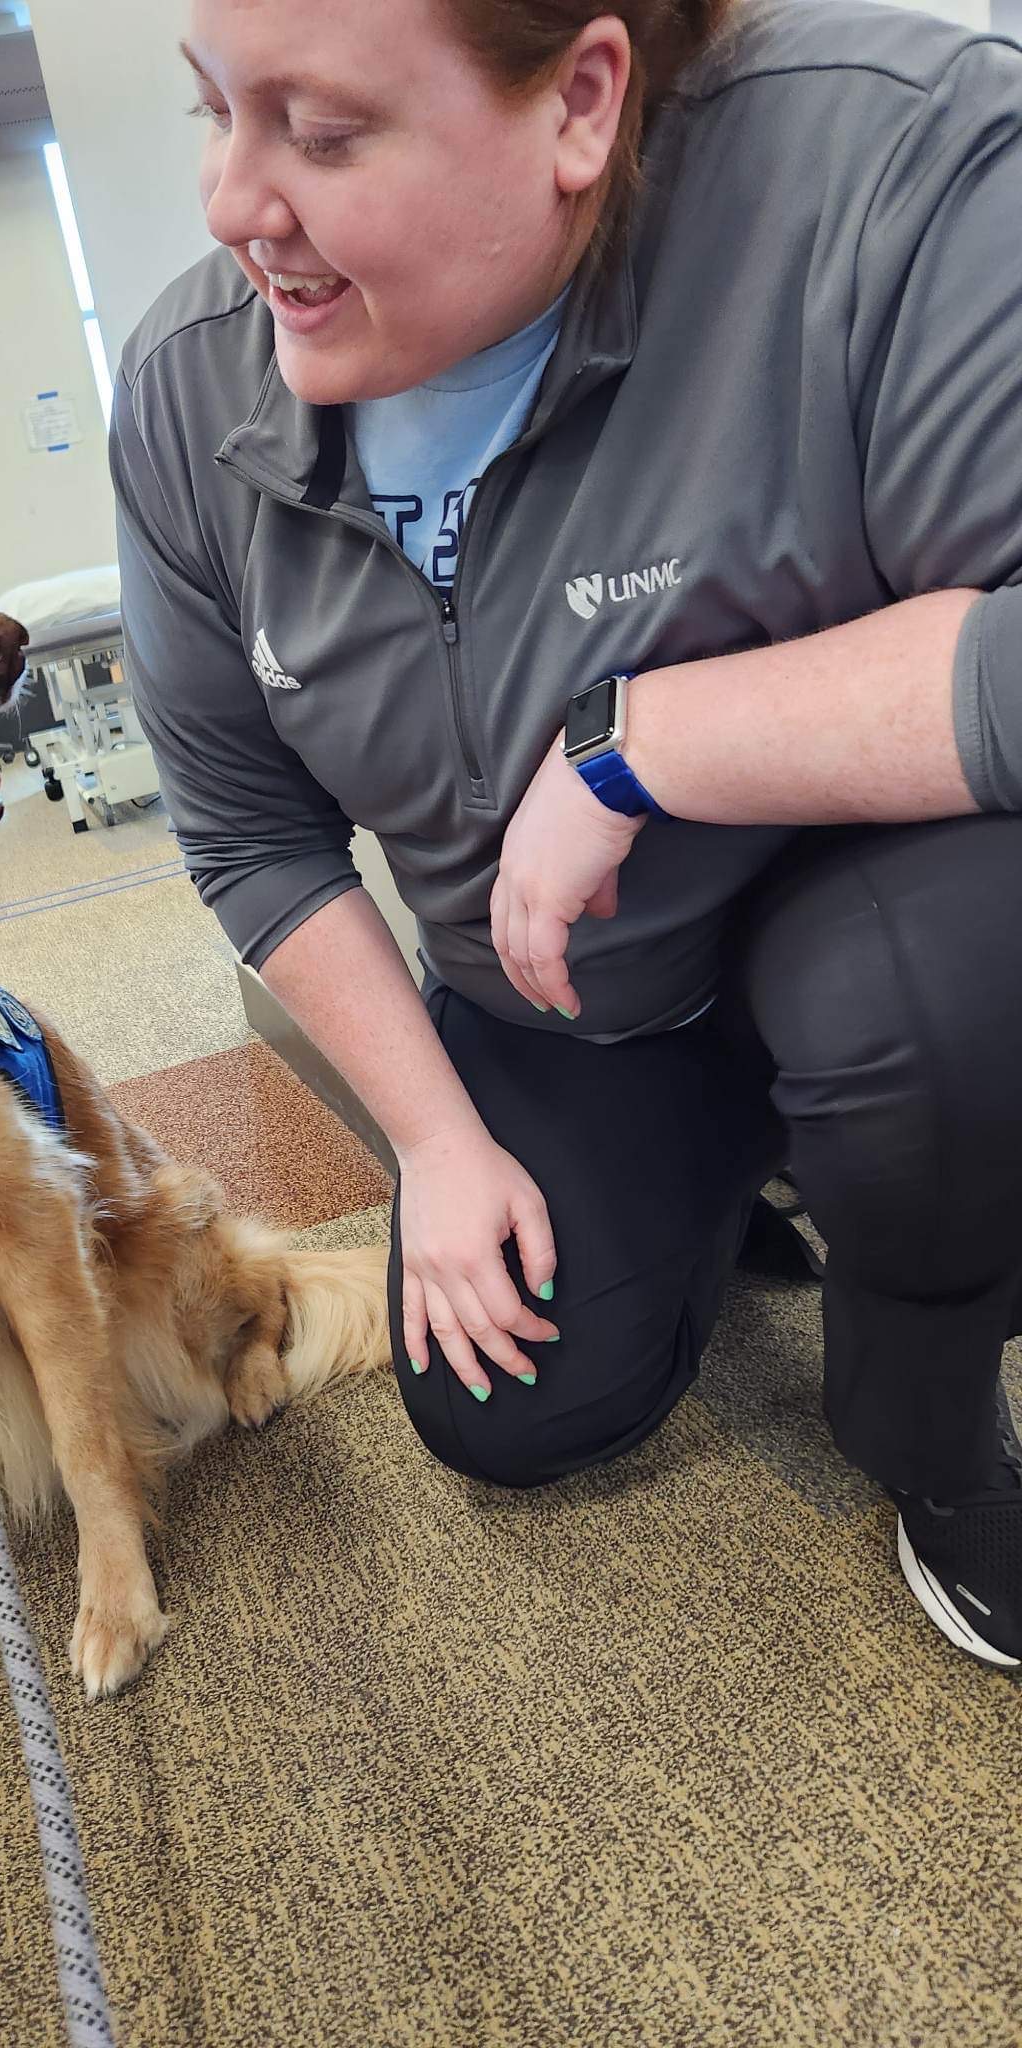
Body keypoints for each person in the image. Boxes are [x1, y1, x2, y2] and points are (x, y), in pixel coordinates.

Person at [108, 0, 1022, 1670]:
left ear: (582, 102)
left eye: (318, 134)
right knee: (504, 1409)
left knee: (917, 1036)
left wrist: (642, 743)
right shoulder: (190, 399)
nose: (235, 202)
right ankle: (744, 1169)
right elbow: (251, 835)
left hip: (858, 897)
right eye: (214, 113)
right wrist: (438, 1146)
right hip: (571, 989)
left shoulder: (894, 159)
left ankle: (939, 1444)